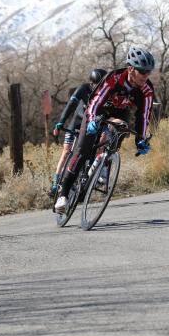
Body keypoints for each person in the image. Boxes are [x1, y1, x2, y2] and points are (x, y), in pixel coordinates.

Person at [54, 45, 155, 212]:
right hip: (97, 110)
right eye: (142, 71)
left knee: (122, 130)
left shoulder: (147, 89)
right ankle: (63, 193)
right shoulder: (113, 78)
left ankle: (101, 165)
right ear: (131, 69)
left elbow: (143, 116)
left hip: (120, 113)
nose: (146, 75)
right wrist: (92, 120)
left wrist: (141, 139)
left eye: (148, 72)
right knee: (82, 150)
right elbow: (94, 102)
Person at [50, 68, 107, 196]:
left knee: (93, 150)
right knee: (66, 153)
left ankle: (87, 181)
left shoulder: (105, 93)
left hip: (90, 126)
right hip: (76, 124)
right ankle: (55, 183)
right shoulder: (83, 88)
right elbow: (70, 106)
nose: (100, 89)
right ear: (91, 83)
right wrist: (61, 122)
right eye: (97, 85)